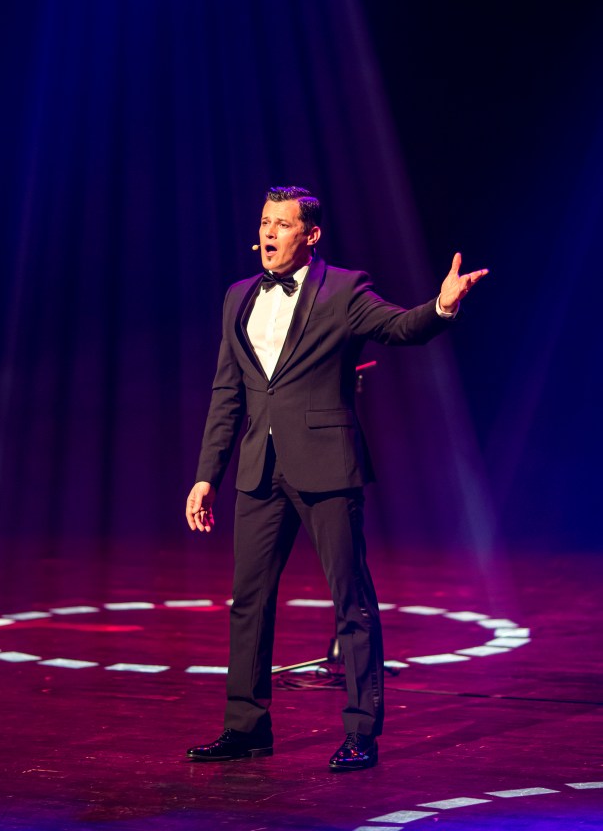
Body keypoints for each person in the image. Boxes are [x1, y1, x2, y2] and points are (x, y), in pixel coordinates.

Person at [185, 186, 488, 771]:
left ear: (311, 234)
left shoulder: (344, 289)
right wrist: (207, 476)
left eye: (282, 224)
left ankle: (361, 733)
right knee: (248, 603)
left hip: (325, 465)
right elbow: (227, 392)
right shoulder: (238, 296)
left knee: (351, 601)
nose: (268, 233)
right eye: (265, 222)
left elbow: (400, 327)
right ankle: (246, 728)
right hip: (259, 468)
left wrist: (442, 306)